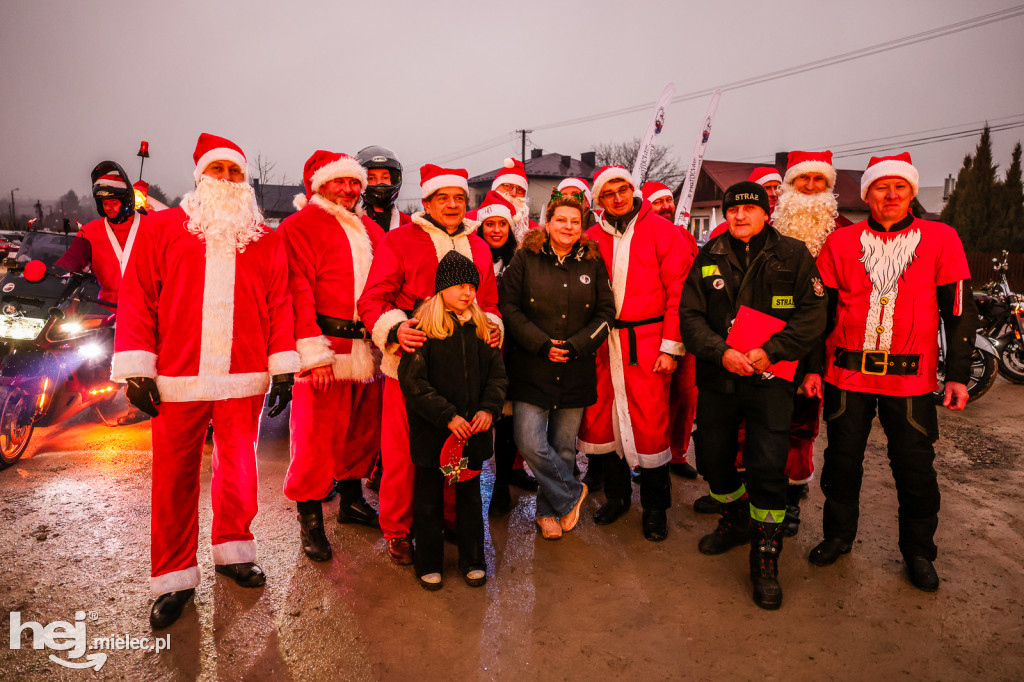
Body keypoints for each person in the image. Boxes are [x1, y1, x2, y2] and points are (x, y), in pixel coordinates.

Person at [112, 133, 300, 628]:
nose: (227, 180)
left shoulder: (265, 238)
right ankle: (173, 578)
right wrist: (136, 367)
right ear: (200, 176)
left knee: (238, 470)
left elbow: (280, 303)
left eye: (235, 172)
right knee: (173, 479)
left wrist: (282, 367)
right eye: (219, 171)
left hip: (243, 377)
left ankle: (234, 551)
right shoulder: (161, 229)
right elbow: (137, 298)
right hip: (177, 378)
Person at [805, 153, 975, 592]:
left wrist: (957, 374)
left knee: (915, 469)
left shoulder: (941, 238)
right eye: (882, 187)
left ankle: (918, 551)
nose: (891, 194)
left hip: (911, 381)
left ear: (912, 193)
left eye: (900, 187)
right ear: (868, 194)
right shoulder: (840, 243)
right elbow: (819, 313)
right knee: (842, 464)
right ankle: (838, 537)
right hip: (847, 377)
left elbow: (957, 311)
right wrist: (810, 368)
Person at [679, 181, 826, 609]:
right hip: (720, 376)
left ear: (766, 212)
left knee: (766, 467)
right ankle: (736, 517)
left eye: (749, 209)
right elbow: (690, 315)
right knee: (712, 458)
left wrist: (773, 351)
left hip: (770, 380)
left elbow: (814, 314)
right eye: (732, 210)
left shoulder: (794, 254)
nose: (739, 216)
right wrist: (719, 352)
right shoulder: (709, 255)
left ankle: (765, 555)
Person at [358, 163, 502, 565]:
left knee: (460, 445)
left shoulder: (480, 246)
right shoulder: (400, 241)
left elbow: (489, 303)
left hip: (465, 370)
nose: (453, 205)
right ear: (427, 202)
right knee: (405, 453)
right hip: (410, 367)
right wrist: (395, 329)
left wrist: (493, 327)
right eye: (444, 198)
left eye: (460, 198)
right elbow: (373, 300)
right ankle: (399, 529)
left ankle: (452, 517)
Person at [279, 150, 386, 562]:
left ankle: (352, 502)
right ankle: (310, 521)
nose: (350, 189)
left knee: (361, 434)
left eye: (355, 182)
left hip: (368, 350)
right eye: (341, 182)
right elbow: (295, 290)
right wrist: (312, 354)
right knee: (315, 442)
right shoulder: (299, 226)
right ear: (320, 185)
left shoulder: (369, 228)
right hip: (326, 351)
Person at [576, 166, 689, 542]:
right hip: (602, 343)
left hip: (647, 341)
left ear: (633, 190)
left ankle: (656, 508)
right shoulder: (590, 237)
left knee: (650, 422)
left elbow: (679, 293)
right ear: (599, 201)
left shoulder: (662, 231)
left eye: (623, 189)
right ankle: (617, 497)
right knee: (602, 422)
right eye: (609, 193)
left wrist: (671, 347)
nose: (618, 198)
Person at [500, 194, 615, 539]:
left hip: (576, 368)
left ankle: (548, 511)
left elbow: (606, 313)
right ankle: (570, 492)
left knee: (564, 447)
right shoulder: (525, 258)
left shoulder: (592, 262)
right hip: (532, 366)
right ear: (547, 223)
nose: (568, 226)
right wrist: (542, 344)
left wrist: (579, 344)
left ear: (582, 227)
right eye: (561, 220)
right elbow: (509, 308)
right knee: (529, 441)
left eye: (575, 221)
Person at [398, 250, 508, 589]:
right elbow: (414, 384)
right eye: (459, 286)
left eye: (472, 287)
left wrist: (489, 408)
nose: (467, 293)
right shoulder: (424, 331)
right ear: (441, 288)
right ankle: (428, 562)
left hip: (473, 431)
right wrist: (447, 416)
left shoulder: (482, 329)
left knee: (471, 498)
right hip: (434, 433)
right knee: (428, 499)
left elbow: (498, 377)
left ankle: (473, 559)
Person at [469, 190, 538, 517]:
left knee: (508, 419)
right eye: (490, 224)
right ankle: (467, 481)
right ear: (480, 227)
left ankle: (500, 485)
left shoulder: (520, 260)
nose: (496, 230)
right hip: (476, 349)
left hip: (511, 350)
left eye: (502, 224)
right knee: (477, 416)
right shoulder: (468, 256)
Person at [641, 181, 701, 480]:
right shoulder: (640, 236)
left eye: (669, 200)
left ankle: (677, 454)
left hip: (688, 328)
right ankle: (645, 457)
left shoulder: (686, 236)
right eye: (658, 202)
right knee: (653, 398)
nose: (666, 206)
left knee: (686, 396)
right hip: (653, 330)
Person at [55, 163, 147, 309]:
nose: (109, 207)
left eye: (114, 202)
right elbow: (71, 261)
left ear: (126, 202)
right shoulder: (90, 232)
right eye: (104, 203)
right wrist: (49, 272)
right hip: (107, 309)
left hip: (147, 306)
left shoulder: (150, 225)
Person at [356, 145, 410, 232]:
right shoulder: (351, 221)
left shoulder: (409, 224)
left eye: (385, 178)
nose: (379, 183)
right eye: (371, 178)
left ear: (393, 179)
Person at [491, 158, 538, 242]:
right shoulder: (472, 220)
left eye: (520, 189)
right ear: (495, 188)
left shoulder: (534, 230)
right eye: (507, 186)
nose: (513, 193)